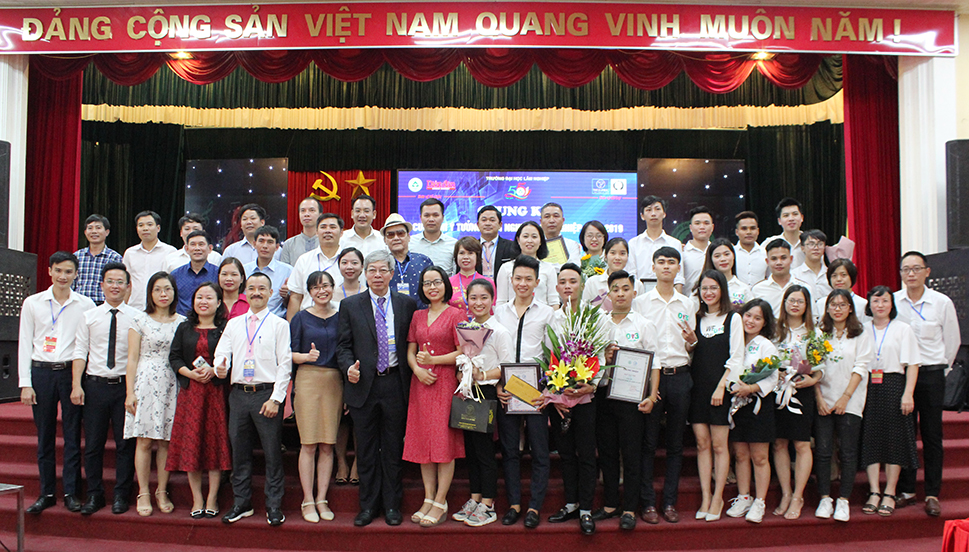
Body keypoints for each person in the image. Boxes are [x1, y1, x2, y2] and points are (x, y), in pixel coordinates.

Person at [336, 250, 417, 527]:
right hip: (363, 386)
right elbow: (343, 346)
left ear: (392, 274)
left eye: (383, 270)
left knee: (393, 449)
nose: (378, 275)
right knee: (367, 450)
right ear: (365, 274)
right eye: (372, 270)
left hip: (395, 383)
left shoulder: (407, 304)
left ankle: (392, 506)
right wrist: (348, 368)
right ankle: (368, 506)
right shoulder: (350, 305)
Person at [19, 252, 96, 515]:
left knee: (72, 435)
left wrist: (81, 381)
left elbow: (87, 345)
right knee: (45, 436)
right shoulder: (33, 303)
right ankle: (47, 492)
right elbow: (24, 343)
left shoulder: (86, 304)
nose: (63, 276)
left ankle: (71, 493)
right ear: (50, 271)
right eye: (59, 270)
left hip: (70, 373)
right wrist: (25, 383)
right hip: (41, 373)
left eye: (68, 271)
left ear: (76, 274)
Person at [214, 272, 292, 527]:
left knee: (272, 453)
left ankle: (274, 505)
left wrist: (277, 399)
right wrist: (220, 367)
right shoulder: (234, 324)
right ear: (244, 293)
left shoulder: (279, 325)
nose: (256, 292)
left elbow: (285, 364)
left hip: (266, 395)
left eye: (262, 288)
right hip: (238, 395)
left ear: (270, 293)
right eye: (251, 288)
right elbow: (221, 352)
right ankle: (242, 503)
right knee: (239, 452)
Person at [894, 251, 960, 517]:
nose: (911, 274)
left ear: (927, 272)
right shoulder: (894, 301)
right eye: (906, 269)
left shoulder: (941, 302)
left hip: (932, 375)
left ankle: (932, 493)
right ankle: (907, 489)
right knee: (905, 434)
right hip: (902, 376)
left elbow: (952, 341)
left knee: (932, 435)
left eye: (916, 268)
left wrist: (941, 370)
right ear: (901, 273)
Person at [634, 247, 696, 526]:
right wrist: (648, 383)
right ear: (653, 267)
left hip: (680, 375)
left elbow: (691, 345)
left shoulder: (688, 303)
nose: (667, 266)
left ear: (678, 268)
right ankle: (647, 502)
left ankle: (670, 502)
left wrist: (693, 342)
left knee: (675, 444)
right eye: (661, 262)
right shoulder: (641, 302)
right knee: (648, 443)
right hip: (652, 380)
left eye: (672, 262)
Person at [493, 255, 556, 529]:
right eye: (518, 278)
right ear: (511, 280)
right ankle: (514, 504)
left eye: (528, 279)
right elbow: (492, 351)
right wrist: (497, 385)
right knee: (510, 451)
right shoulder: (499, 312)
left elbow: (554, 354)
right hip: (507, 389)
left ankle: (534, 507)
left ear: (537, 282)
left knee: (540, 451)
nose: (522, 283)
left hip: (536, 390)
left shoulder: (547, 313)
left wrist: (549, 390)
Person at [71, 262, 138, 515]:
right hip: (95, 386)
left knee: (125, 444)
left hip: (124, 387)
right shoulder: (89, 316)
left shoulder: (137, 318)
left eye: (120, 282)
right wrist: (76, 384)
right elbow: (80, 351)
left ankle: (121, 495)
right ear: (102, 285)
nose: (115, 286)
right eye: (110, 281)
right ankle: (94, 494)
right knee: (93, 444)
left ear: (128, 287)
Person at [594, 270, 657, 531]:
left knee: (631, 454)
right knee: (607, 452)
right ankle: (610, 504)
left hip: (633, 399)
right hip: (603, 395)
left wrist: (652, 395)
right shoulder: (599, 323)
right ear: (608, 294)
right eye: (615, 289)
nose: (620, 294)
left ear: (634, 292)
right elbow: (589, 360)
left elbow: (655, 363)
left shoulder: (644, 324)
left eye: (625, 289)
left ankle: (630, 508)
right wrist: (604, 358)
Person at [404, 266, 466, 527]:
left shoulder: (456, 314)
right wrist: (418, 369)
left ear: (445, 285)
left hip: (445, 382)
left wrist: (434, 361)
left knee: (443, 441)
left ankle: (441, 501)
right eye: (427, 283)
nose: (432, 287)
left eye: (437, 282)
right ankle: (428, 497)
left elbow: (463, 351)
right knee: (422, 442)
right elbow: (411, 350)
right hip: (421, 383)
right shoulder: (418, 315)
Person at [166, 282, 231, 519]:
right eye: (199, 297)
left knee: (214, 444)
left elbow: (232, 356)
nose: (203, 301)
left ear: (218, 302)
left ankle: (212, 497)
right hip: (191, 392)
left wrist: (215, 370)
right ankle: (197, 498)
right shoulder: (184, 327)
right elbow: (174, 357)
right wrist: (190, 374)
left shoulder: (225, 328)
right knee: (191, 443)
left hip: (216, 393)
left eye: (209, 297)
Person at [451, 278, 512, 528]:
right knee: (472, 451)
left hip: (486, 393)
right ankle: (475, 497)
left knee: (485, 451)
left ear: (492, 300)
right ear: (467, 300)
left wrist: (483, 375)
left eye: (484, 297)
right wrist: (462, 372)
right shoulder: (467, 328)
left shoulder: (500, 331)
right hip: (468, 392)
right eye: (473, 298)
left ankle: (488, 503)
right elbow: (463, 358)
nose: (478, 302)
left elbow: (507, 367)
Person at [123, 272, 184, 517]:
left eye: (167, 289)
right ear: (150, 293)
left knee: (166, 441)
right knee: (145, 440)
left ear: (174, 293)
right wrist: (129, 392)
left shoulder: (182, 322)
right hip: (146, 382)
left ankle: (162, 490)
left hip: (172, 383)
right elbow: (132, 358)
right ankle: (143, 492)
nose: (162, 294)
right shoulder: (139, 320)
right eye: (157, 289)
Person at [687, 269, 744, 522]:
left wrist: (722, 387)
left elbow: (737, 358)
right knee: (702, 444)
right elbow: (691, 353)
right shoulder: (696, 317)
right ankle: (705, 496)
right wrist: (690, 341)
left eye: (713, 287)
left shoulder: (733, 318)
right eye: (704, 288)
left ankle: (718, 497)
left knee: (720, 445)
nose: (708, 292)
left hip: (720, 389)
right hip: (697, 388)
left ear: (722, 290)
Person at [546, 264, 598, 535]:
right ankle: (571, 503)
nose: (568, 286)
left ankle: (586, 509)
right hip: (561, 398)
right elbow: (548, 357)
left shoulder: (594, 317)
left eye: (573, 281)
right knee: (566, 454)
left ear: (582, 285)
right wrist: (555, 394)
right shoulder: (553, 319)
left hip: (586, 396)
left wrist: (591, 384)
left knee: (587, 453)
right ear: (556, 287)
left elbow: (602, 352)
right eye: (563, 282)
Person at [814, 289, 874, 523]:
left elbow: (861, 367)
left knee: (848, 452)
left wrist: (845, 397)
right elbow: (814, 368)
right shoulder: (819, 334)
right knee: (823, 451)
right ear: (827, 308)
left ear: (850, 308)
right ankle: (825, 498)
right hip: (824, 400)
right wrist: (819, 399)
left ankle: (843, 500)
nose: (837, 309)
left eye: (842, 304)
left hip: (851, 400)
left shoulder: (860, 334)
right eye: (833, 304)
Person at [860, 287, 920, 518]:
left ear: (892, 304)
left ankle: (890, 492)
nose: (880, 305)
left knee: (895, 440)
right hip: (867, 386)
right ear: (869, 304)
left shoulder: (903, 329)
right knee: (871, 438)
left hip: (895, 385)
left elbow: (912, 364)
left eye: (885, 301)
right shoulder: (862, 329)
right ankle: (874, 490)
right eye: (876, 301)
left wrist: (908, 394)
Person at [290, 271, 342, 523]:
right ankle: (307, 499)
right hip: (308, 379)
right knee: (309, 443)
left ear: (333, 288)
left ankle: (322, 498)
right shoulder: (300, 318)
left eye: (326, 286)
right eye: (316, 287)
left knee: (327, 444)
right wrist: (305, 357)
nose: (322, 291)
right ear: (309, 292)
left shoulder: (342, 317)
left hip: (334, 382)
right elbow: (287, 354)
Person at [726, 299, 779, 524]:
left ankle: (760, 501)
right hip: (737, 404)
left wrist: (751, 388)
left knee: (759, 456)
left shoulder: (766, 345)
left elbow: (773, 377)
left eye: (757, 318)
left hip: (759, 405)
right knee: (740, 454)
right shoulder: (734, 340)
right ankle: (743, 497)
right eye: (748, 315)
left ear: (764, 323)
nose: (751, 321)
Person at [772, 285, 822, 520]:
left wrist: (812, 379)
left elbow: (821, 368)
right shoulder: (775, 331)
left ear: (806, 306)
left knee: (802, 444)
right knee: (779, 444)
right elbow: (766, 359)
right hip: (778, 390)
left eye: (800, 301)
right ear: (784, 303)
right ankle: (785, 492)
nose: (795, 305)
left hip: (802, 391)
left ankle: (798, 496)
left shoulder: (814, 333)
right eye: (791, 300)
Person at [288, 213, 346, 317]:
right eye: (323, 227)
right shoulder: (304, 260)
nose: (328, 231)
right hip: (308, 319)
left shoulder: (350, 261)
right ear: (316, 232)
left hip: (341, 317)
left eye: (332, 227)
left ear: (341, 232)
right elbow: (295, 297)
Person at [626, 196, 684, 292]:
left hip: (668, 294)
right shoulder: (633, 243)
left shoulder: (674, 243)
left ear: (664, 214)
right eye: (649, 210)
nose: (653, 213)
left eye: (657, 209)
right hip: (640, 294)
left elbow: (679, 277)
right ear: (642, 216)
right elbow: (631, 274)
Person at [495, 221, 559, 307]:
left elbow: (554, 302)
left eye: (534, 237)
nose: (529, 241)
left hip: (542, 315)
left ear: (540, 241)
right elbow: (501, 302)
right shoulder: (506, 268)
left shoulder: (549, 268)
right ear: (518, 240)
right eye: (525, 236)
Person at [123, 210, 176, 311]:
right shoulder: (130, 253)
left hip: (160, 309)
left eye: (149, 224)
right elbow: (127, 283)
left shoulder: (170, 252)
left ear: (158, 228)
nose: (145, 228)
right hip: (134, 308)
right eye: (141, 225)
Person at [383, 213, 434, 308]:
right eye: (390, 235)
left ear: (409, 237)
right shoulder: (381, 264)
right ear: (385, 240)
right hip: (390, 315)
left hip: (421, 314)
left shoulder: (423, 262)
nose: (396, 238)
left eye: (400, 233)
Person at [751, 239, 813, 317]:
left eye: (783, 258)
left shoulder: (804, 288)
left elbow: (812, 317)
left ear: (791, 259)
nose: (779, 262)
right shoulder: (758, 289)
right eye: (774, 259)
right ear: (767, 261)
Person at [243, 225, 293, 318]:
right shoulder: (244, 270)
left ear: (277, 247)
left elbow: (294, 302)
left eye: (270, 242)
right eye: (261, 241)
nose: (265, 246)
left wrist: (287, 296)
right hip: (248, 319)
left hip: (276, 321)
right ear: (254, 244)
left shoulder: (288, 271)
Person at [581, 237, 645, 310]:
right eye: (613, 253)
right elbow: (584, 310)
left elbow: (639, 311)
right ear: (605, 256)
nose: (617, 257)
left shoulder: (637, 285)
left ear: (628, 256)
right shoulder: (592, 283)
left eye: (622, 253)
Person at [73, 214, 123, 305]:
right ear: (85, 232)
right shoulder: (77, 256)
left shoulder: (114, 257)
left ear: (107, 232)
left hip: (103, 304)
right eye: (90, 228)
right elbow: (71, 283)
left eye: (98, 228)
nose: (94, 231)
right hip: (79, 304)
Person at [170, 231, 219, 316]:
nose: (197, 248)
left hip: (211, 320)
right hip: (182, 321)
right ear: (187, 249)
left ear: (210, 248)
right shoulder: (176, 275)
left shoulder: (218, 273)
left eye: (201, 244)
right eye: (193, 244)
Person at [448, 237, 493, 320]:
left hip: (482, 326)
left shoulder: (488, 282)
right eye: (461, 253)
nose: (466, 257)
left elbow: (492, 311)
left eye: (470, 253)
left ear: (477, 256)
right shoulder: (448, 282)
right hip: (454, 326)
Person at [699, 237, 751, 308]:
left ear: (733, 256)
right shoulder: (701, 288)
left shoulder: (743, 288)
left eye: (727, 254)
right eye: (717, 256)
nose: (723, 259)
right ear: (711, 259)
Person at [409, 198, 457, 275]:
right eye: (427, 215)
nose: (431, 219)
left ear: (442, 218)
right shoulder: (409, 243)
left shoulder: (454, 244)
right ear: (421, 218)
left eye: (435, 215)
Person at [817, 258, 869, 324]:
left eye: (843, 275)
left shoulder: (863, 304)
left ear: (851, 277)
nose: (839, 279)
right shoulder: (821, 303)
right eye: (834, 276)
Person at [339, 194, 387, 259]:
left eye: (366, 211)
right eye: (358, 211)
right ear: (352, 214)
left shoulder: (382, 239)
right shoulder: (341, 239)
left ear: (374, 214)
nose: (362, 215)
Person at [762, 198, 805, 268]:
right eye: (786, 215)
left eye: (795, 214)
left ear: (802, 218)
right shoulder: (769, 243)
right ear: (779, 221)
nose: (791, 219)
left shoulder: (810, 242)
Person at [279, 197, 323, 266]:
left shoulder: (327, 242)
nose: (306, 214)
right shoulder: (289, 244)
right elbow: (285, 270)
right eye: (303, 211)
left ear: (320, 215)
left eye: (311, 210)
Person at [476, 205, 516, 279]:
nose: (488, 223)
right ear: (478, 224)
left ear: (500, 224)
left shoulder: (511, 246)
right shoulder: (471, 247)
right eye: (484, 220)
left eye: (492, 220)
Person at [538, 202, 582, 268]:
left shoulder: (572, 245)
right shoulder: (535, 245)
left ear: (563, 220)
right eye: (547, 216)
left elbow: (574, 268)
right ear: (541, 221)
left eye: (556, 216)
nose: (551, 220)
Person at [682, 206, 714, 292]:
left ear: (712, 227)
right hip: (688, 299)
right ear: (691, 228)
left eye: (706, 223)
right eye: (697, 223)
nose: (702, 227)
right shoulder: (682, 252)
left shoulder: (716, 252)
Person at [791, 230, 832, 299]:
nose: (816, 248)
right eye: (811, 244)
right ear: (802, 248)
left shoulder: (831, 274)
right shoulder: (794, 275)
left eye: (820, 244)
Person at [733, 211, 768, 286]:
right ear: (737, 232)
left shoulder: (765, 253)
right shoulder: (731, 253)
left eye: (752, 228)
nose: (749, 232)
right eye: (744, 229)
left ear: (758, 231)